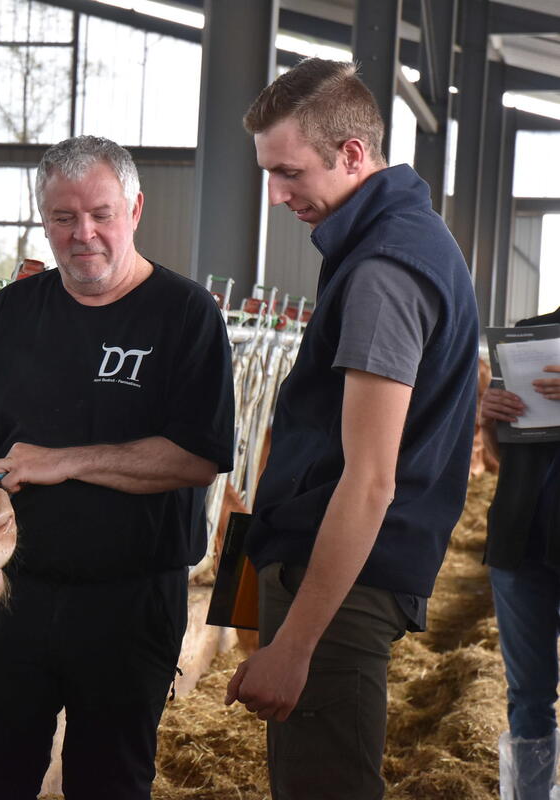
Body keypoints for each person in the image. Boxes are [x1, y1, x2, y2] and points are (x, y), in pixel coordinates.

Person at [0, 135, 235, 799]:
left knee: (109, 780)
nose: (83, 235)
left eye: (100, 214)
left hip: (130, 598)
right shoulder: (13, 311)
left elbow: (199, 456)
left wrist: (65, 462)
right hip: (11, 590)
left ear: (134, 209)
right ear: (41, 219)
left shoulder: (184, 315)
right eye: (62, 218)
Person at [224, 58, 479, 800]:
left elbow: (369, 480)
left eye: (288, 173)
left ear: (352, 155)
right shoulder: (399, 240)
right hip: (341, 574)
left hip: (337, 584)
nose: (276, 196)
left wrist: (294, 644)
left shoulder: (382, 271)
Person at [481, 305, 560, 800]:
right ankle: (531, 795)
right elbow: (496, 451)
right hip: (520, 536)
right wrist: (489, 418)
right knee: (528, 693)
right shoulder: (530, 336)